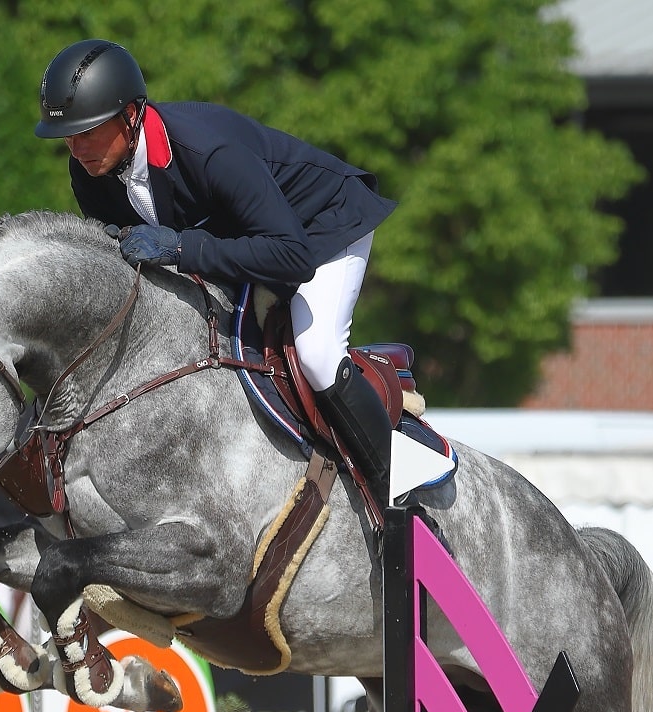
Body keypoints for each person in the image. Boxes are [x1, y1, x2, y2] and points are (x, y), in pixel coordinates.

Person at [35, 38, 409, 498]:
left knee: (315, 352)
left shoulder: (209, 152)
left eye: (87, 131)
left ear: (132, 114)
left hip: (321, 229)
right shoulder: (90, 172)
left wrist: (181, 248)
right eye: (67, 137)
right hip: (248, 239)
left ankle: (396, 492)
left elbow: (292, 258)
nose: (76, 148)